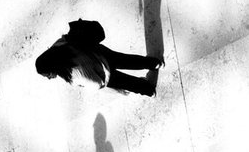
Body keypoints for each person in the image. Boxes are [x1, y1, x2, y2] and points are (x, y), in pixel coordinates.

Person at [34, 19, 163, 96]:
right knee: (128, 60)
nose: (50, 78)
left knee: (128, 83)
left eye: (48, 75)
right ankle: (154, 64)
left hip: (104, 74)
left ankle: (149, 90)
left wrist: (116, 91)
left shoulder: (72, 76)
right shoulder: (59, 46)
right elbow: (71, 37)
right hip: (102, 53)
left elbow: (95, 84)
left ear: (52, 69)